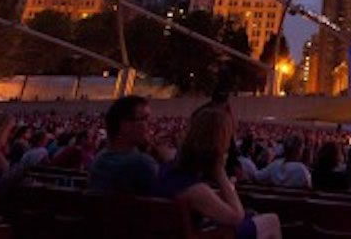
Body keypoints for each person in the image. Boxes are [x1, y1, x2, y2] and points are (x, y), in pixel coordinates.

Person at [153, 107, 278, 239]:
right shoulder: (194, 189)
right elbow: (237, 217)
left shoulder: (167, 170)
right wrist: (219, 171)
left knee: (254, 216)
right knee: (271, 221)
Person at [88, 95, 159, 195]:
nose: (151, 124)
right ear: (125, 125)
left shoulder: (100, 158)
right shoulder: (142, 163)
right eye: (145, 119)